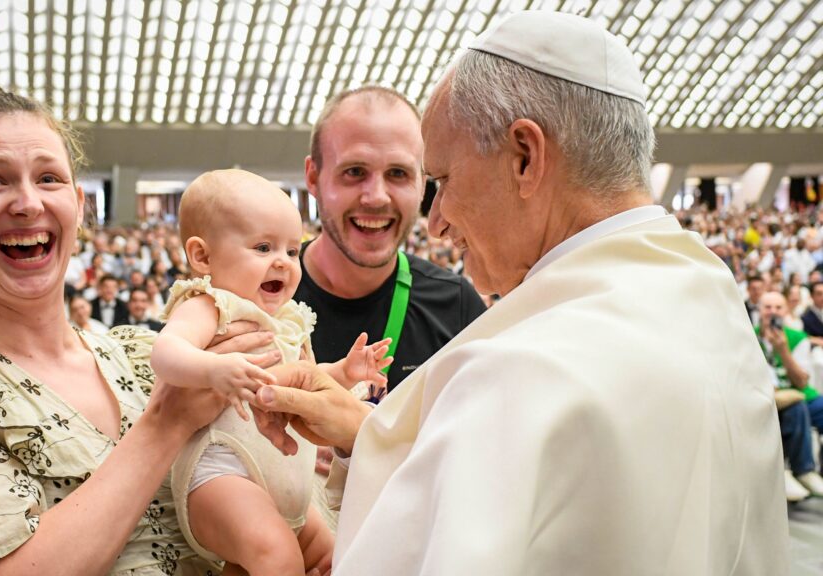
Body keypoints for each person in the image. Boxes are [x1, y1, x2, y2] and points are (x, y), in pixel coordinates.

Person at [253, 11, 787, 574]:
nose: (436, 223)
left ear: (526, 157)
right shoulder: (707, 295)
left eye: (443, 181)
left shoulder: (522, 367)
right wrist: (370, 436)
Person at [0, 78, 278, 575]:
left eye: (49, 179)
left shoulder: (149, 354)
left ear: (79, 206)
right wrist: (165, 423)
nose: (29, 203)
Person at [150, 169, 389, 575]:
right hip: (221, 472)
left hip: (288, 483)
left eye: (293, 251)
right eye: (263, 247)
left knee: (337, 555)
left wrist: (345, 373)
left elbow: (304, 381)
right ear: (203, 256)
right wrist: (214, 369)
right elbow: (165, 352)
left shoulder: (290, 318)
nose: (283, 261)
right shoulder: (210, 305)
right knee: (276, 556)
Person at [296, 85, 485, 392]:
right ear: (314, 178)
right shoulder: (255, 296)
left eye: (398, 173)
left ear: (422, 186)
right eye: (355, 171)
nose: (376, 197)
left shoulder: (456, 309)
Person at [756, 291, 823, 497]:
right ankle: (803, 470)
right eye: (768, 307)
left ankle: (811, 472)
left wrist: (783, 351)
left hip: (800, 394)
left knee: (810, 404)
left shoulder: (797, 338)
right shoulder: (748, 335)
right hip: (770, 399)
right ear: (759, 310)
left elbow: (802, 381)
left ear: (786, 312)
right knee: (796, 407)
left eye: (778, 307)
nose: (772, 312)